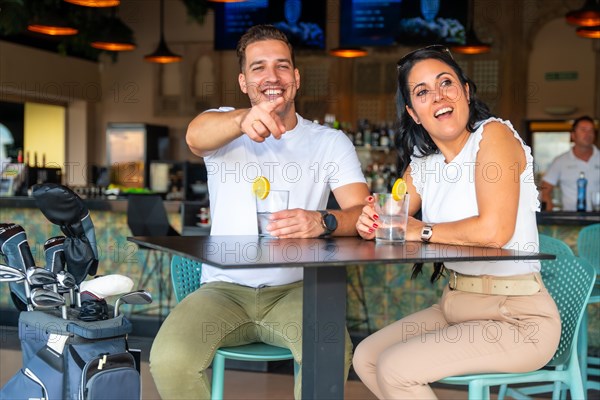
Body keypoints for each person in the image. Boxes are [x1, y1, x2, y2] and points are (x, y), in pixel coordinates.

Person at [149, 25, 370, 399]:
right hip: (223, 291)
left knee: (329, 351)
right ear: (243, 81)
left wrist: (324, 221)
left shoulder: (329, 142)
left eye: (282, 66)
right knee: (169, 359)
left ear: (296, 78)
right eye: (258, 67)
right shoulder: (223, 127)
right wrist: (240, 121)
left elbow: (363, 214)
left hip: (299, 290)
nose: (272, 77)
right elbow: (194, 136)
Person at [352, 45, 561, 399]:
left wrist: (422, 231)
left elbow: (495, 233)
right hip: (455, 306)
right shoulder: (423, 164)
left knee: (397, 369)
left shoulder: (493, 136)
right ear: (413, 113)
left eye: (446, 83)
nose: (438, 97)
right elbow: (391, 215)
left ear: (465, 91)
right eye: (422, 92)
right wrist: (370, 220)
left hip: (517, 318)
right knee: (367, 357)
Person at [540, 115, 599, 211]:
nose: (588, 134)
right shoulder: (560, 161)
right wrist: (550, 215)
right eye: (583, 130)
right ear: (573, 135)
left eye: (591, 130)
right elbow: (544, 190)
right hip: (570, 220)